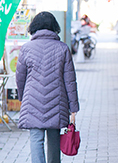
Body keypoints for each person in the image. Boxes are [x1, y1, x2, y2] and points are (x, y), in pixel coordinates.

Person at [16, 11, 79, 163]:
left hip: (33, 100)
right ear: (54, 27)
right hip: (56, 102)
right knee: (54, 139)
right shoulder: (63, 49)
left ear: (34, 27)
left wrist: (22, 98)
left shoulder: (26, 48)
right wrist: (73, 107)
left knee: (36, 139)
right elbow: (70, 80)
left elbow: (20, 78)